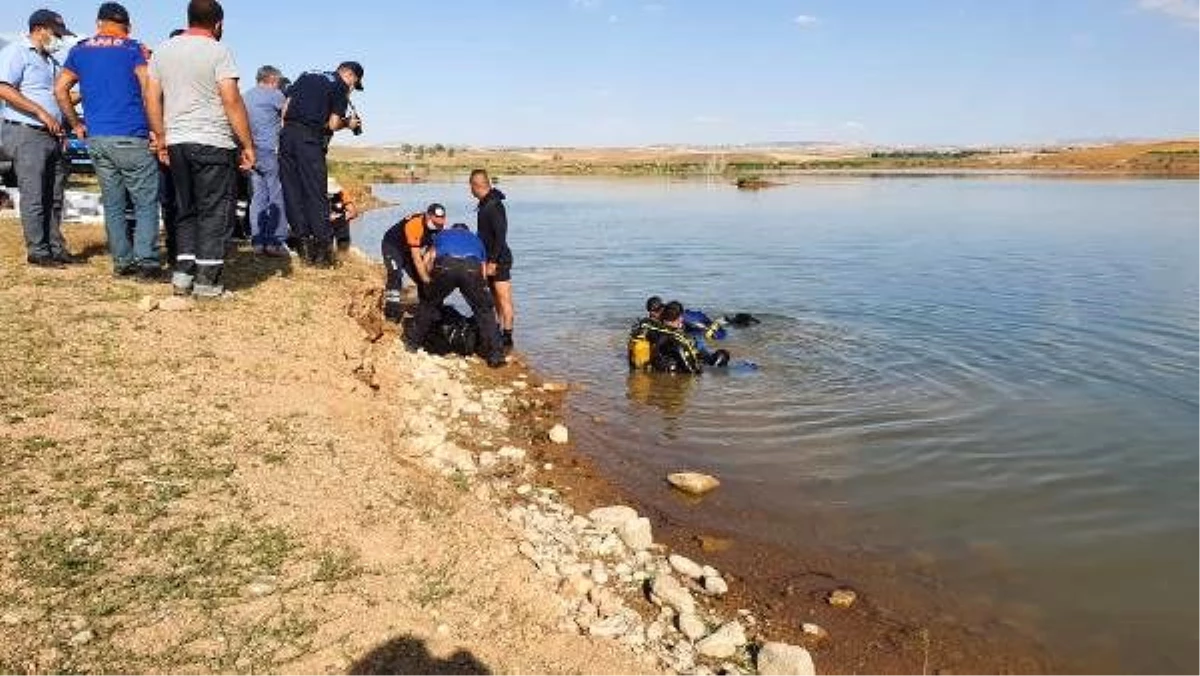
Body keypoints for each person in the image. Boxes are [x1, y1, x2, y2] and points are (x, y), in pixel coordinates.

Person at [145, 0, 254, 298]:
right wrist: (246, 143)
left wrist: (161, 136)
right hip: (213, 141)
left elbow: (152, 97)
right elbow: (231, 99)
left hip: (177, 140)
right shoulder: (219, 51)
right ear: (218, 24)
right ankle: (207, 283)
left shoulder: (163, 49)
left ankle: (182, 276)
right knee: (214, 211)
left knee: (185, 209)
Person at [54, 2, 162, 280]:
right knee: (145, 202)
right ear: (127, 26)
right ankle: (147, 262)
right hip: (131, 134)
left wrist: (76, 123)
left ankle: (122, 262)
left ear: (98, 23)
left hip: (98, 137)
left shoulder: (79, 49)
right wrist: (156, 128)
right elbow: (146, 86)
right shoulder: (132, 48)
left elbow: (60, 88)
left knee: (113, 203)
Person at [0, 9, 78, 268]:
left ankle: (56, 247)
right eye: (56, 33)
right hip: (27, 131)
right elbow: (3, 87)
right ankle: (38, 250)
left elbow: (58, 97)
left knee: (54, 195)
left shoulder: (52, 60)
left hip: (53, 134)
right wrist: (41, 112)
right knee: (34, 194)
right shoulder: (16, 52)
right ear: (40, 29)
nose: (59, 39)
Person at [278, 61, 363, 267]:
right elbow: (333, 124)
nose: (352, 89)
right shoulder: (340, 87)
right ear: (350, 76)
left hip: (287, 137)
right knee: (315, 194)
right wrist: (349, 123)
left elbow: (285, 109)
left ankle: (304, 250)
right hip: (309, 141)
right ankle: (323, 256)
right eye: (355, 84)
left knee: (292, 192)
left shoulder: (307, 73)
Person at [406, 224, 505, 369]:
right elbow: (483, 271)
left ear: (453, 228)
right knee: (485, 311)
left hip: (446, 264)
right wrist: (481, 291)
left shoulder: (442, 235)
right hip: (472, 267)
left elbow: (429, 258)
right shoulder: (476, 240)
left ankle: (412, 344)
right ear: (466, 230)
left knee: (429, 304)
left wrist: (428, 282)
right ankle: (495, 356)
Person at [242, 64, 289, 256]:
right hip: (270, 150)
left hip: (252, 151)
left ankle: (257, 241)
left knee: (258, 196)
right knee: (277, 195)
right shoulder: (275, 95)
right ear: (272, 79)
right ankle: (275, 242)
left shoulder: (245, 96)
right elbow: (288, 115)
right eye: (278, 82)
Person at [470, 169, 514, 350]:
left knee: (503, 298)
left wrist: (493, 262)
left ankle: (508, 336)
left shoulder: (494, 205)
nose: (469, 190)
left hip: (499, 259)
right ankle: (496, 331)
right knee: (494, 298)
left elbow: (501, 235)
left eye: (470, 186)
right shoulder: (484, 203)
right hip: (488, 258)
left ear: (476, 185)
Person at [381, 202, 445, 320]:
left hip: (410, 249)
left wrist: (429, 276)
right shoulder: (415, 225)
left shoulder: (438, 227)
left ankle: (427, 308)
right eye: (436, 223)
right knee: (395, 275)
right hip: (393, 246)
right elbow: (416, 258)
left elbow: (431, 253)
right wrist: (426, 279)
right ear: (428, 216)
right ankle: (392, 312)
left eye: (441, 224)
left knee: (423, 276)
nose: (438, 227)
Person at [328, 177, 357, 250]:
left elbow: (353, 212)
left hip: (341, 225)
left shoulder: (343, 194)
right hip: (326, 226)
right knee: (327, 250)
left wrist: (340, 217)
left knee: (343, 249)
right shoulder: (318, 194)